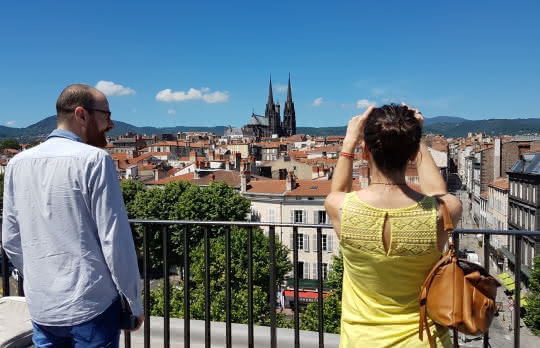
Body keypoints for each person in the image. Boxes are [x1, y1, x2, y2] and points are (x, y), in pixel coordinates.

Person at [2, 84, 144, 347]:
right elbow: (115, 242)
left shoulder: (16, 164)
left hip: (42, 306)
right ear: (81, 114)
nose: (111, 124)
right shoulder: (95, 160)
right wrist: (134, 303)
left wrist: (40, 279)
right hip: (91, 304)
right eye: (106, 115)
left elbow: (11, 239)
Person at [325, 104, 462, 347]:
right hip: (425, 340)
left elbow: (337, 191)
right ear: (412, 154)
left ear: (365, 151)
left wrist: (349, 141)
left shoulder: (340, 208)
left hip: (361, 340)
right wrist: (417, 140)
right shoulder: (442, 212)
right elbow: (438, 193)